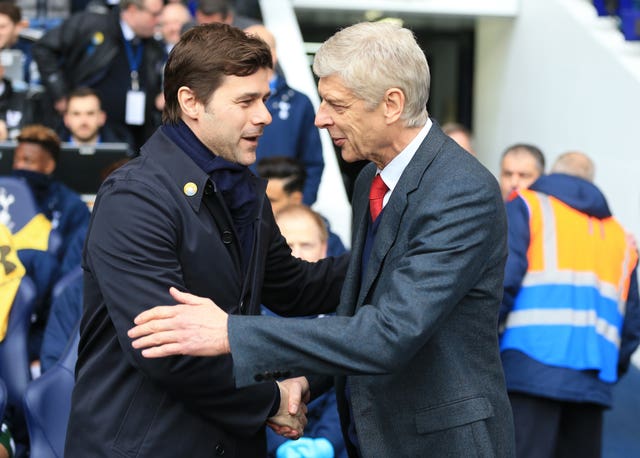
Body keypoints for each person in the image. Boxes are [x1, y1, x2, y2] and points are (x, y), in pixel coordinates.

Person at [130, 21, 516, 458]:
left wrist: (231, 334)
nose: (319, 118)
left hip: (440, 443)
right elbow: (359, 297)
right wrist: (286, 388)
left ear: (392, 104)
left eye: (336, 103)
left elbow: (388, 334)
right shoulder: (371, 178)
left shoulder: (460, 189)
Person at [65, 23, 348, 457]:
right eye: (246, 101)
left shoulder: (245, 188)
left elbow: (294, 289)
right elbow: (165, 352)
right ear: (191, 102)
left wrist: (386, 254)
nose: (265, 116)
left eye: (265, 99)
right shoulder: (135, 198)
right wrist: (273, 400)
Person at [498, 151, 640, 458]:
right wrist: (611, 368)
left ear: (552, 174)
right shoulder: (621, 239)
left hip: (528, 369)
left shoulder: (528, 206)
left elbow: (502, 283)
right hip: (591, 383)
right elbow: (631, 324)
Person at [266, 203, 347, 458]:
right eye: (287, 246)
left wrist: (328, 442)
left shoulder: (346, 314)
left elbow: (345, 385)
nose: (297, 254)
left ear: (324, 248)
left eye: (307, 245)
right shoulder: (252, 312)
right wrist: (278, 445)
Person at [31, 0, 166, 151]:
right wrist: (60, 93)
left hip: (135, 135)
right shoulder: (90, 25)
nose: (159, 20)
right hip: (90, 130)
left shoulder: (154, 46)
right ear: (132, 10)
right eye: (155, 14)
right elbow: (44, 48)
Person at [246, 24, 324, 206]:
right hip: (237, 209)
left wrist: (302, 205)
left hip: (284, 210)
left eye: (254, 51)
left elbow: (313, 162)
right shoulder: (225, 102)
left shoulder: (299, 103)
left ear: (272, 56)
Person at [12, 124, 90, 261]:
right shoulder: (4, 195)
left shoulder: (72, 206)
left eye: (27, 161)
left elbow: (73, 264)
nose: (19, 166)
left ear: (49, 166)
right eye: (16, 160)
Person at [257, 156, 345, 257]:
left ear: (296, 199)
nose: (262, 207)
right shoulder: (249, 234)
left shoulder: (332, 246)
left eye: (271, 201)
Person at [195, 0, 259, 29]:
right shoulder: (189, 28)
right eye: (202, 25)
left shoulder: (250, 31)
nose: (206, 30)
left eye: (213, 26)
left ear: (228, 19)